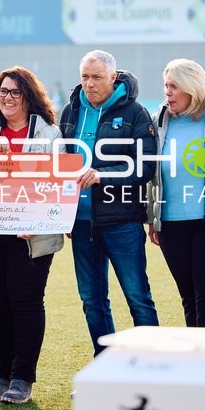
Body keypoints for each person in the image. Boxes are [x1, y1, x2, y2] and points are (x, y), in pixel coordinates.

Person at [0, 66, 64, 404]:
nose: (8, 98)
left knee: (26, 302)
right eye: (3, 91)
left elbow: (58, 180)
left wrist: (35, 221)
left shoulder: (48, 131)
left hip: (31, 235)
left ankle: (22, 378)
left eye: (15, 92)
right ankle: (2, 374)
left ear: (28, 96)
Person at [59, 50, 159, 356]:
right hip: (80, 223)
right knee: (92, 300)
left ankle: (155, 367)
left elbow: (144, 167)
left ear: (113, 78)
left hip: (122, 222)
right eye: (85, 77)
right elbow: (60, 163)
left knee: (137, 296)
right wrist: (61, 211)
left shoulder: (135, 113)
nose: (89, 84)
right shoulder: (70, 111)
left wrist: (102, 175)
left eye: (97, 77)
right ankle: (107, 365)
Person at [147, 59, 205, 328]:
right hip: (170, 223)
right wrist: (153, 217)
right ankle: (197, 364)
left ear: (192, 88)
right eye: (165, 86)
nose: (167, 92)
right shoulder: (160, 118)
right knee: (188, 298)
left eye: (174, 86)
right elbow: (154, 172)